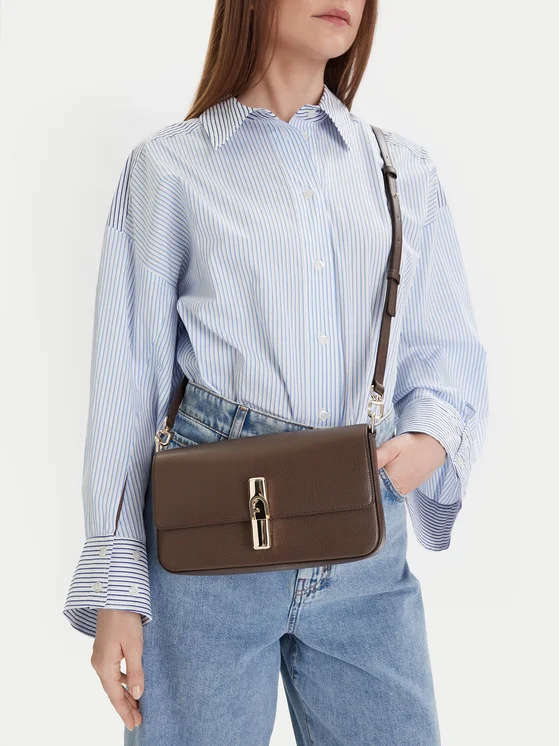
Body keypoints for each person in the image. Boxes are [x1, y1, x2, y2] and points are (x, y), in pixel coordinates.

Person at [62, 1, 489, 743]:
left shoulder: (399, 168)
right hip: (207, 553)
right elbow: (128, 385)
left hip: (363, 540)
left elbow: (445, 348)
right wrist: (118, 587)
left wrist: (431, 439)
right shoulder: (170, 168)